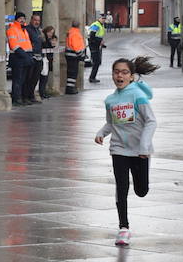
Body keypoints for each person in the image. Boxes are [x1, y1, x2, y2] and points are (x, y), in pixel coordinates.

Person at [95, 56, 158, 247]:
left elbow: (151, 121)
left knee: (141, 190)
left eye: (124, 72)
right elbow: (111, 122)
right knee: (121, 188)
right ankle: (123, 228)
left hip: (140, 151)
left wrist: (144, 146)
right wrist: (101, 133)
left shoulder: (137, 95)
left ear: (131, 76)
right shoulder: (110, 100)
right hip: (119, 149)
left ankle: (139, 190)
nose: (119, 75)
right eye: (116, 72)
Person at [6, 12, 34, 105]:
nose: (22, 20)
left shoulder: (24, 30)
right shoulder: (12, 29)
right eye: (20, 18)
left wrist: (29, 55)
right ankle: (16, 98)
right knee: (17, 80)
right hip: (18, 57)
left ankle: (21, 97)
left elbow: (27, 44)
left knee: (23, 80)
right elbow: (13, 45)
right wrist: (25, 55)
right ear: (16, 19)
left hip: (25, 57)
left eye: (24, 18)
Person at [64, 21, 86, 94]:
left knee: (71, 72)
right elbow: (76, 46)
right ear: (79, 25)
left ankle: (70, 88)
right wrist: (81, 55)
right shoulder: (75, 33)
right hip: (73, 56)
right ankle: (70, 89)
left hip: (70, 55)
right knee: (73, 72)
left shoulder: (71, 32)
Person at [39, 24, 57, 101]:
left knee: (46, 77)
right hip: (44, 59)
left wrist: (53, 45)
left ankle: (44, 92)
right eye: (49, 32)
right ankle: (41, 92)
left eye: (52, 33)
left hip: (48, 59)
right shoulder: (43, 39)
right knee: (43, 77)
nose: (50, 34)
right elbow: (44, 48)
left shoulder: (51, 39)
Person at [86, 14, 106, 83]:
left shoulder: (101, 25)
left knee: (97, 62)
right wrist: (99, 41)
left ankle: (93, 77)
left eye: (104, 19)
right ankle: (92, 78)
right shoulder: (96, 25)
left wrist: (101, 42)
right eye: (102, 18)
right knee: (96, 63)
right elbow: (92, 36)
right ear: (99, 18)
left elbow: (99, 36)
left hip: (97, 46)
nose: (104, 20)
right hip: (94, 46)